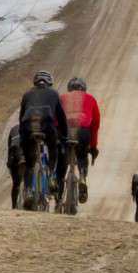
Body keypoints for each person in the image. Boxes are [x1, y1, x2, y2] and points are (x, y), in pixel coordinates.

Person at [16, 70, 68, 202]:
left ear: (35, 82)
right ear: (49, 82)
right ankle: (50, 176)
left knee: (29, 164)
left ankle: (28, 191)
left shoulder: (27, 94)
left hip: (28, 127)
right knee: (53, 148)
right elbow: (61, 117)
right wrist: (64, 135)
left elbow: (21, 118)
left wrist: (22, 138)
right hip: (46, 127)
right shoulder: (54, 93)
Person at [60, 75, 101, 203]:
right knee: (82, 156)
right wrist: (93, 146)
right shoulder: (91, 98)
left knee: (62, 160)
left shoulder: (62, 97)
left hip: (66, 130)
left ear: (69, 88)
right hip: (83, 131)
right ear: (84, 88)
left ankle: (57, 183)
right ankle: (82, 176)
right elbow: (95, 125)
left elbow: (55, 118)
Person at [6, 122, 25, 209]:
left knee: (16, 183)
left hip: (13, 155)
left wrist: (9, 163)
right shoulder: (30, 127)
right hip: (23, 154)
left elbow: (9, 147)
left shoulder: (13, 129)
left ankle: (13, 206)